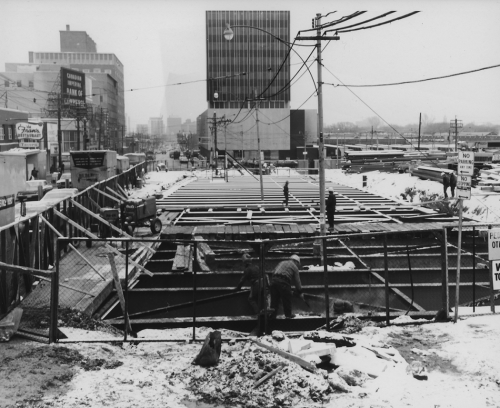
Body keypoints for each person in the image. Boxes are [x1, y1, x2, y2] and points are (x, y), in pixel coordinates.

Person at [270, 254, 304, 319]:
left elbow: (274, 272)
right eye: (298, 264)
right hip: (284, 282)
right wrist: (300, 292)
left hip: (274, 281)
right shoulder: (294, 266)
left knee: (274, 302)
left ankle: (272, 318)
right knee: (287, 300)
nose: (297, 265)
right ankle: (288, 316)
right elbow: (297, 281)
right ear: (296, 261)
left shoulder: (281, 262)